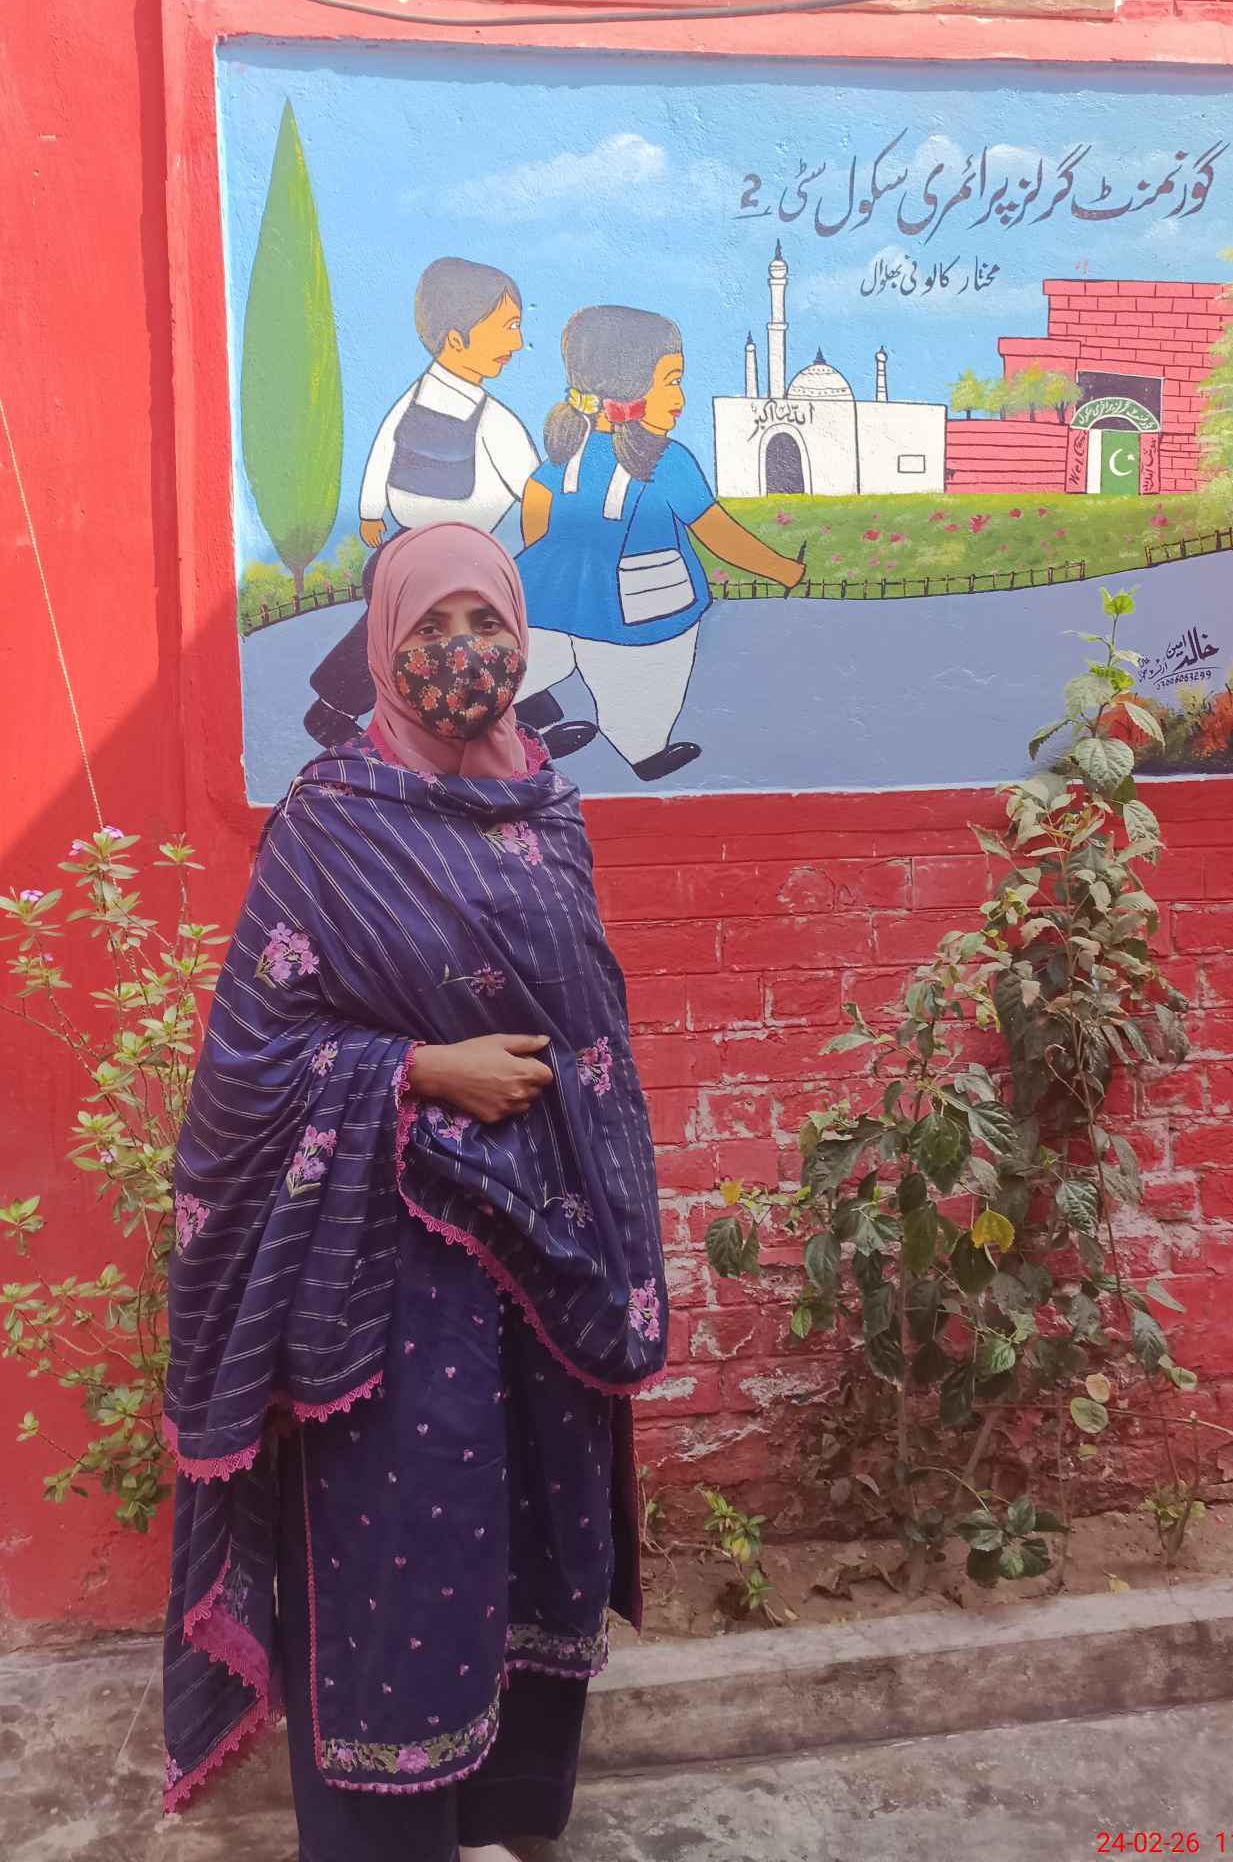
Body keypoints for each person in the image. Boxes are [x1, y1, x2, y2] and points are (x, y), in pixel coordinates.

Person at [163, 525, 666, 1862]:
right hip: (388, 1276)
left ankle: (507, 1816)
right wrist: (417, 1070)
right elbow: (248, 1065)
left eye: (486, 623)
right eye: (433, 626)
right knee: (401, 1554)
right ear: (385, 643)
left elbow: (594, 1036)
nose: (465, 653)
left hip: (543, 1263)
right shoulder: (331, 825)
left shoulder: (549, 813)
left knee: (531, 1536)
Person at [516, 305, 805, 782]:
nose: (680, 397)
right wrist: (782, 569)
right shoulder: (669, 462)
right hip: (645, 606)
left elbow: (535, 510)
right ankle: (643, 751)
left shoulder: (566, 453)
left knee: (535, 659)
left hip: (556, 599)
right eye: (670, 381)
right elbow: (718, 532)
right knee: (646, 684)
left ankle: (518, 715)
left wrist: (555, 568)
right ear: (629, 386)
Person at [304, 257, 539, 749]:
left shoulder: (421, 400)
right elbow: (536, 490)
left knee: (400, 634)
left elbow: (381, 449)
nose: (518, 343)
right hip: (437, 557)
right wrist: (546, 530)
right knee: (464, 631)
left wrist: (371, 511)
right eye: (508, 327)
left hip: (410, 551)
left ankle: (530, 703)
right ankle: (333, 709)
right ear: (457, 339)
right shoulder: (494, 422)